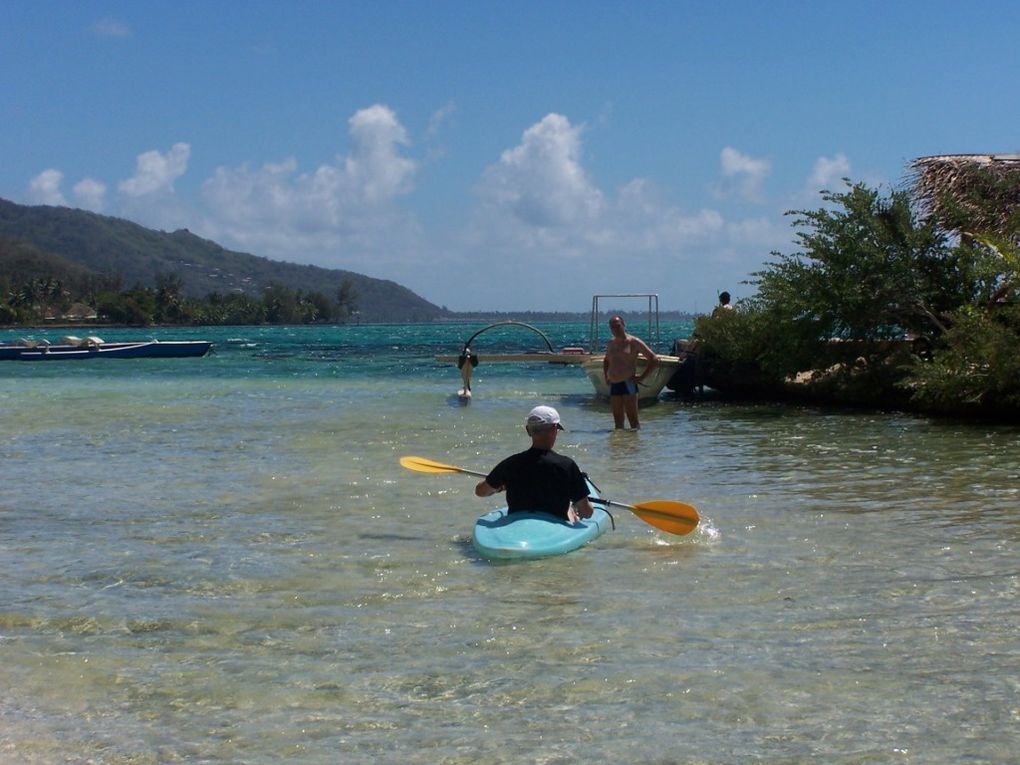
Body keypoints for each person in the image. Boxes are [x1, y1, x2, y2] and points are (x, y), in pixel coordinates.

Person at [475, 405, 594, 523]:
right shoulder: (567, 466)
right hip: (552, 530)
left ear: (528, 430)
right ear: (554, 429)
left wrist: (498, 488)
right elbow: (587, 512)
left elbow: (480, 491)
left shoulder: (510, 464)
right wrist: (574, 509)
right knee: (571, 511)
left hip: (518, 523)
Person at [602, 315, 658, 429]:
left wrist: (642, 377)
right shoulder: (611, 343)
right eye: (612, 327)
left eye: (618, 326)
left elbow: (654, 359)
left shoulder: (633, 342)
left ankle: (634, 445)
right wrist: (606, 376)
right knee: (618, 421)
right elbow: (606, 360)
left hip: (628, 383)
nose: (615, 329)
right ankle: (620, 444)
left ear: (623, 325)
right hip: (614, 384)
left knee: (633, 420)